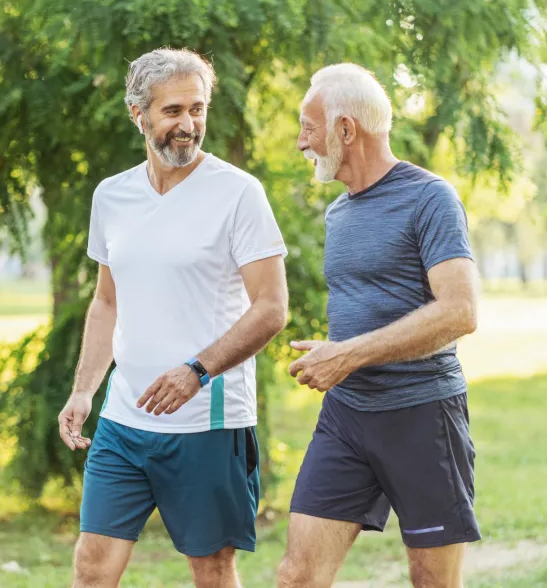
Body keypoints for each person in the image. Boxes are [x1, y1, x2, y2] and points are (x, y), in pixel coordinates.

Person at [58, 48, 289, 588]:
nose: (188, 125)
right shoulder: (112, 196)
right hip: (124, 421)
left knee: (211, 570)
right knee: (92, 566)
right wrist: (84, 390)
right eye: (173, 112)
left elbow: (272, 308)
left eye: (198, 109)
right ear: (138, 114)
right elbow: (107, 303)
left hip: (207, 423)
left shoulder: (238, 193)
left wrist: (197, 370)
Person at [278, 63, 481, 588]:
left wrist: (349, 353)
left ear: (346, 129)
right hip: (347, 416)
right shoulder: (338, 214)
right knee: (297, 576)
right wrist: (341, 355)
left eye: (308, 126)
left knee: (432, 581)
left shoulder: (430, 198)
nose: (302, 143)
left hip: (422, 414)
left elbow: (460, 311)